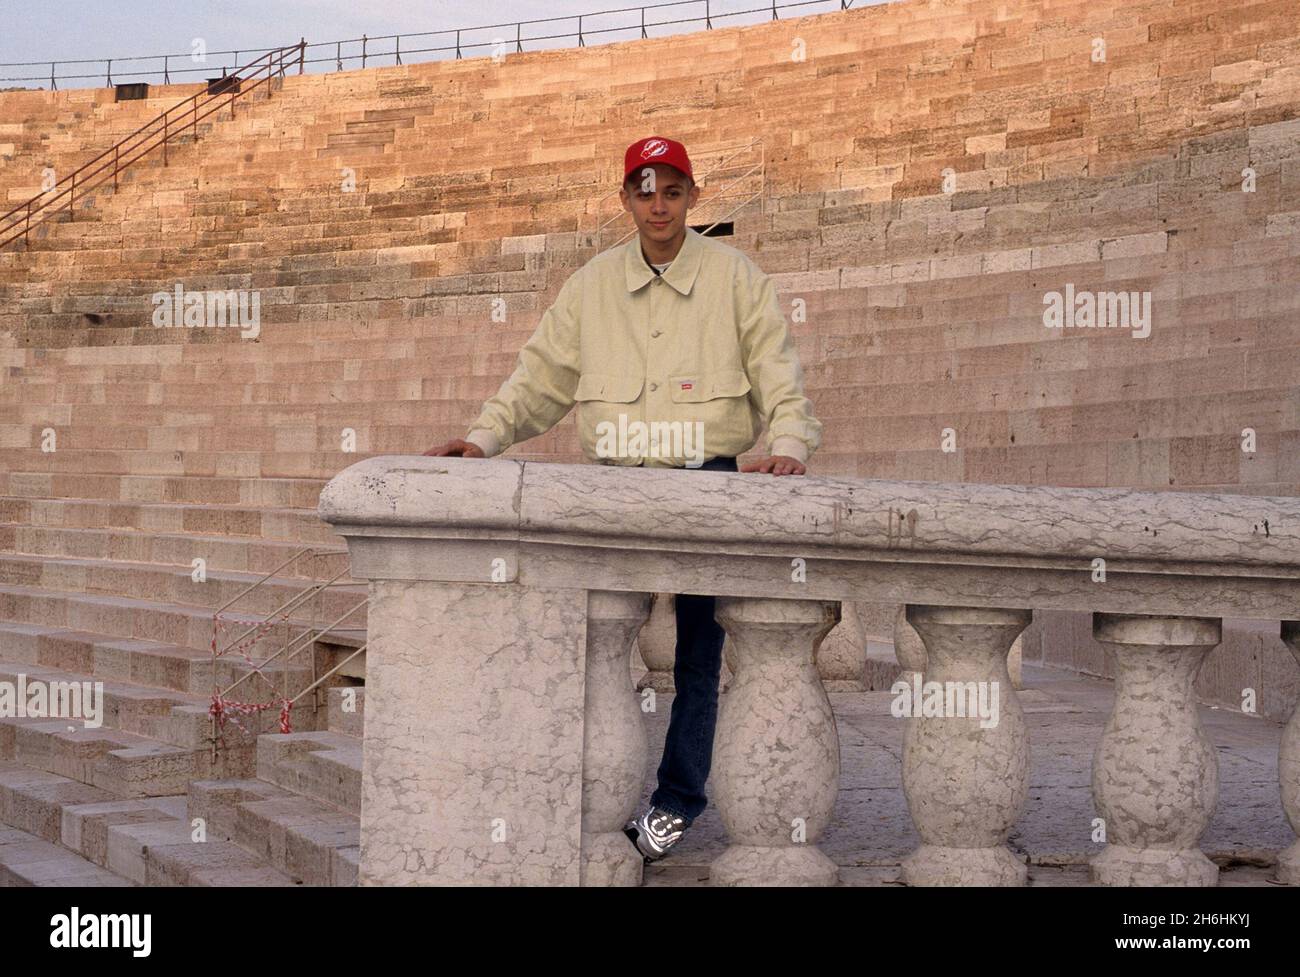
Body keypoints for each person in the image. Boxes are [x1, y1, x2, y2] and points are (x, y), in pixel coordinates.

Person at [424, 135, 822, 861]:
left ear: (693, 197)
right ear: (625, 200)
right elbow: (539, 380)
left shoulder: (736, 278)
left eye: (672, 190)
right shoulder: (590, 285)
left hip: (708, 481)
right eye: (645, 190)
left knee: (701, 657)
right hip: (612, 486)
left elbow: (778, 369)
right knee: (594, 644)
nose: (658, 204)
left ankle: (671, 811)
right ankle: (584, 797)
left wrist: (789, 445)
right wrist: (482, 441)